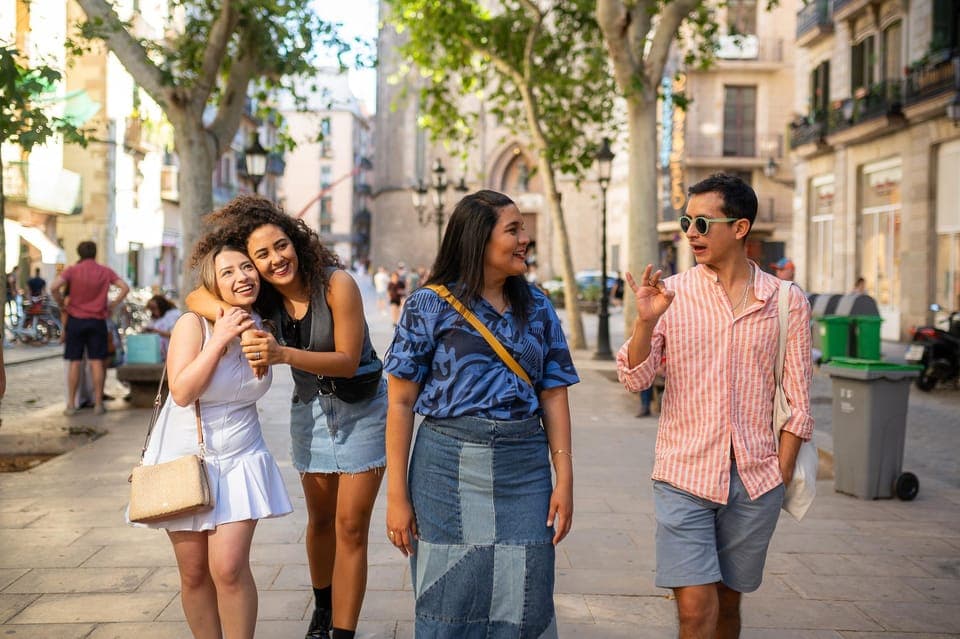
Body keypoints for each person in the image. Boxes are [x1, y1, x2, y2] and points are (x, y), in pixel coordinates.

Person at [616, 173, 813, 638]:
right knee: (694, 612)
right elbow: (635, 377)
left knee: (727, 608)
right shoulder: (673, 295)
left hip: (754, 480)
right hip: (683, 474)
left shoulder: (786, 302)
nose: (690, 232)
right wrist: (645, 323)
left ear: (740, 227)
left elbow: (800, 402)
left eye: (703, 223)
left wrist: (777, 477)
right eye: (688, 221)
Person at [186, 195, 387, 639]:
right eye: (261, 255)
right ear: (251, 264)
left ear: (295, 241)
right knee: (319, 521)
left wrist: (280, 353)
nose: (276, 259)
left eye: (281, 246)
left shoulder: (337, 285)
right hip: (310, 412)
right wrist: (233, 318)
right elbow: (194, 294)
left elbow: (349, 360)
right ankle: (322, 607)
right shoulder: (266, 301)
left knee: (350, 527)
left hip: (364, 410)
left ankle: (342, 632)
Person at [383, 189, 578, 638]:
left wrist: (564, 478)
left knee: (528, 589)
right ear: (477, 239)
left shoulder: (539, 308)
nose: (525, 238)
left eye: (522, 228)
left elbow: (553, 392)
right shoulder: (427, 305)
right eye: (513, 229)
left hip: (524, 469)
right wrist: (396, 496)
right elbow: (399, 402)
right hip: (445, 469)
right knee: (450, 592)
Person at [131, 232, 292, 639]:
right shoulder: (194, 324)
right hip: (183, 457)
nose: (242, 276)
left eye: (246, 268)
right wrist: (219, 339)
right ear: (213, 283)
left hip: (241, 453)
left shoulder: (263, 326)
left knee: (230, 568)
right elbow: (182, 392)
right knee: (195, 572)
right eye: (228, 271)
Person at [49, 241, 130, 416]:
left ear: (79, 253)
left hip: (76, 321)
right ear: (95, 252)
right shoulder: (104, 271)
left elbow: (54, 287)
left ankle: (71, 404)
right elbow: (125, 287)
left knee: (74, 362)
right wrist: (113, 305)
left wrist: (62, 304)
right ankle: (98, 403)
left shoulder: (72, 270)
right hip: (97, 321)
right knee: (96, 362)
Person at [143, 294, 182, 359]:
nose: (153, 311)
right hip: (160, 355)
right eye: (151, 309)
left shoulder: (173, 315)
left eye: (154, 308)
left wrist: (157, 331)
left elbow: (176, 334)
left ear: (161, 306)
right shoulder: (155, 318)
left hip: (174, 352)